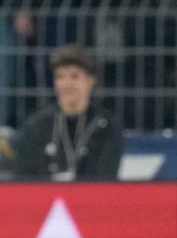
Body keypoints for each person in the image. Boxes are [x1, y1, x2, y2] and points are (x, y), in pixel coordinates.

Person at [14, 44, 122, 180]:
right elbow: (24, 178)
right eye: (60, 77)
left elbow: (106, 178)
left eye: (74, 76)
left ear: (90, 80)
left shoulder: (107, 128)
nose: (67, 84)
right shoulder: (37, 127)